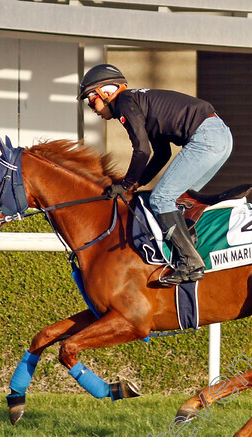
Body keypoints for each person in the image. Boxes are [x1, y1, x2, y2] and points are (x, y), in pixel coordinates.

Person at [77, 64, 233, 285]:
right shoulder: (139, 103)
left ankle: (190, 263)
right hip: (221, 136)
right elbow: (161, 153)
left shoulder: (125, 103)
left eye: (92, 100)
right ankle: (191, 249)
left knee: (161, 199)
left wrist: (127, 184)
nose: (93, 108)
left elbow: (142, 150)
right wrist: (136, 183)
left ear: (107, 92)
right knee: (181, 199)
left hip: (206, 137)